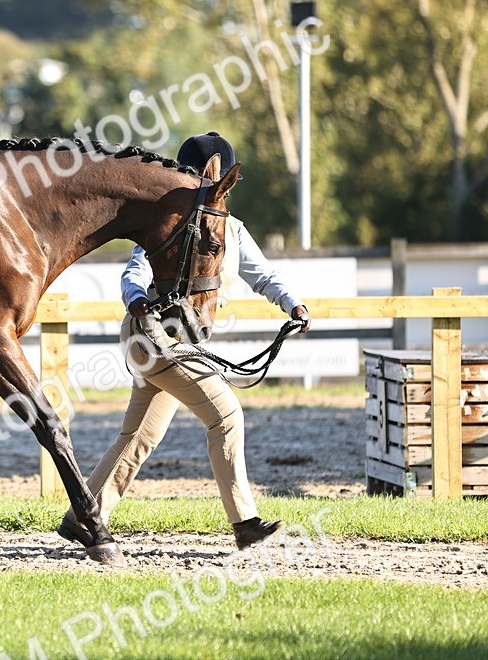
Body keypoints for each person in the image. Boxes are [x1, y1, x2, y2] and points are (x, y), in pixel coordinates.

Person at [60, 132, 310, 550]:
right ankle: (245, 521)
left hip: (181, 339)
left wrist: (293, 304)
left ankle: (85, 516)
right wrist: (137, 299)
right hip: (155, 335)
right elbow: (134, 273)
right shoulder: (171, 223)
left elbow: (263, 275)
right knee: (225, 415)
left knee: (139, 437)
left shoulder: (233, 229)